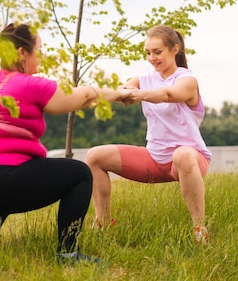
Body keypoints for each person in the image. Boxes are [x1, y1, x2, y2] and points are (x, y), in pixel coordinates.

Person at [0, 23, 127, 264]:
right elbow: (84, 96)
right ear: (22, 53)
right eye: (39, 49)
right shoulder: (29, 84)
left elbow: (79, 101)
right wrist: (120, 93)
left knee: (7, 168)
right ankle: (68, 253)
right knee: (80, 173)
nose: (42, 55)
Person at [85, 25, 212, 244]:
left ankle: (199, 228)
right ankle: (102, 222)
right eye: (148, 53)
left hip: (188, 160)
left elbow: (168, 94)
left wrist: (140, 94)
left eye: (157, 52)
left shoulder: (188, 81)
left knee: (182, 154)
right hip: (154, 159)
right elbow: (121, 91)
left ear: (175, 49)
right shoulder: (142, 79)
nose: (152, 58)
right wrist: (89, 94)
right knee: (94, 156)